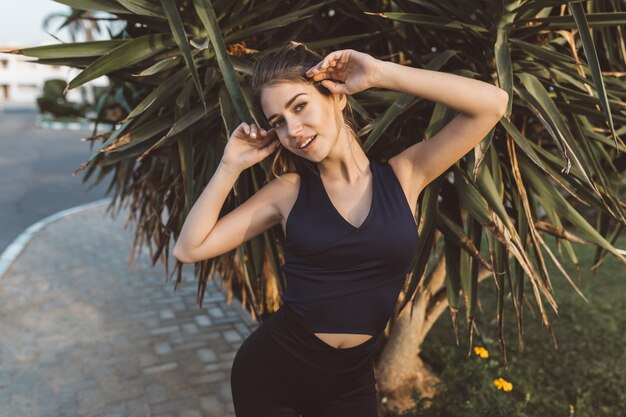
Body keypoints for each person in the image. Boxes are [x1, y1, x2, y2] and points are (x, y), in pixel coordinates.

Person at [173, 42, 508, 417]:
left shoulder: (405, 175)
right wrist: (230, 166)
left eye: (299, 106)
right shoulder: (288, 192)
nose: (293, 130)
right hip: (272, 374)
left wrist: (380, 73)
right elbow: (189, 248)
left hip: (351, 383)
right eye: (278, 122)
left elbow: (492, 103)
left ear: (336, 96)